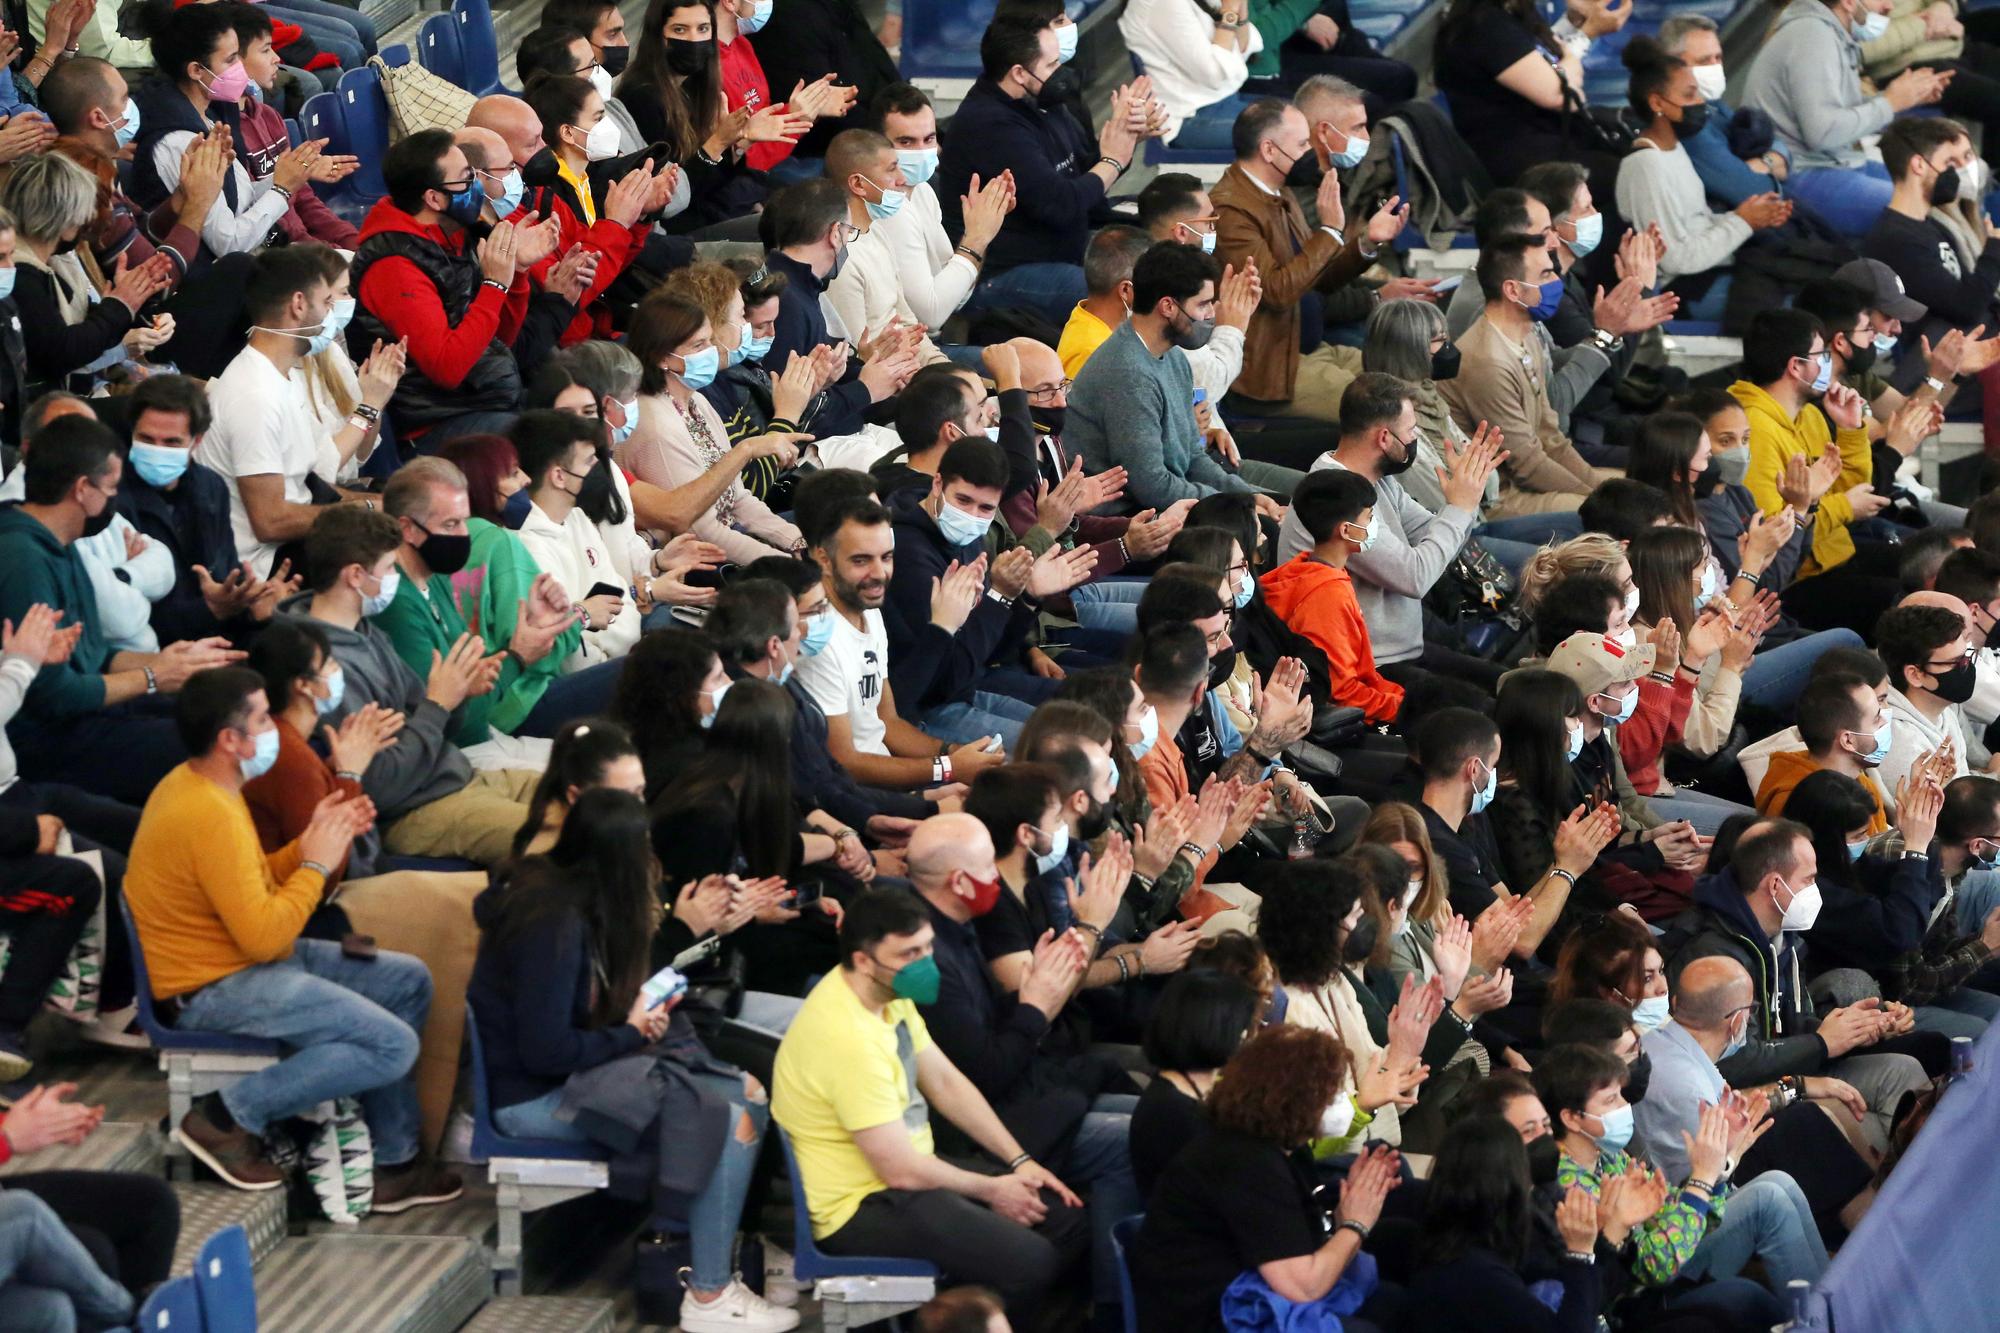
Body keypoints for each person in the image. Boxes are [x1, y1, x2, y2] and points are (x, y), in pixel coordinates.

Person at [124, 665, 460, 1205]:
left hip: (242, 961)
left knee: (409, 981)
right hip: (215, 986)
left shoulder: (210, 786)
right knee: (391, 1045)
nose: (273, 730)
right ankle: (226, 1117)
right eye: (262, 720)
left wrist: (310, 843)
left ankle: (395, 1165)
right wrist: (315, 868)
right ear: (230, 740)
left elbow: (251, 882)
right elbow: (264, 939)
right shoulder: (203, 809)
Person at [468, 786, 794, 1330]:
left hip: (586, 1068)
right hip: (538, 1098)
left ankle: (718, 1275)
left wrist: (640, 1015)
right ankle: (710, 1297)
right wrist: (631, 1032)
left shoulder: (570, 900)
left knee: (749, 1090)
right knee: (729, 1115)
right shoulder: (551, 925)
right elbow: (547, 1052)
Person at [771, 888, 1088, 1324]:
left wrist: (1019, 1161)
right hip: (862, 1204)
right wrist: (994, 1190)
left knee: (1064, 1221)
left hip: (911, 1173)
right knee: (1030, 1261)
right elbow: (898, 1170)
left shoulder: (887, 994)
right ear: (864, 960)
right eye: (909, 953)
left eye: (926, 947)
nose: (924, 962)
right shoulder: (846, 1038)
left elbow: (945, 1082)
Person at [903, 811, 1141, 1313]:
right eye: (989, 867)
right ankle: (1115, 1310)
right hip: (977, 1128)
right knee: (1135, 1138)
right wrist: (1036, 1006)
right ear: (958, 882)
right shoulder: (924, 960)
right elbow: (984, 1073)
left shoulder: (958, 925)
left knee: (1151, 1109)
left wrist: (1037, 1000)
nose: (998, 878)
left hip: (1021, 1093)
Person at [0, 415, 252, 805]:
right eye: (112, 488)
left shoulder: (61, 542)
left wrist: (170, 662)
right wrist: (153, 676)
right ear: (83, 490)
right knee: (215, 742)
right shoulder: (23, 560)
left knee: (224, 707)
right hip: (46, 739)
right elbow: (53, 696)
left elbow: (96, 653)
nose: (115, 501)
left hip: (80, 716)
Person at [280, 504, 540, 866]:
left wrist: (458, 693)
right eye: (389, 568)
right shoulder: (321, 668)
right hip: (414, 811)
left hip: (455, 778)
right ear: (356, 575)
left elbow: (436, 725)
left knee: (593, 796)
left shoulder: (365, 632)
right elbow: (381, 785)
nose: (395, 579)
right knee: (559, 840)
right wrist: (437, 704)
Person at [1668, 817, 1933, 1150]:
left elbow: (1789, 1024)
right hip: (1743, 1096)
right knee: (1868, 1095)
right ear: (1775, 886)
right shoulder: (1715, 957)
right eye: (1809, 879)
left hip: (1784, 1068)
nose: (1816, 889)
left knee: (1901, 1070)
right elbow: (1729, 1062)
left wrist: (1858, 1028)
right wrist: (1822, 1043)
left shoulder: (1783, 936)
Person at [1131, 1025, 1403, 1333]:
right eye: (1330, 1093)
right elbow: (1304, 1287)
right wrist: (1356, 1224)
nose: (1340, 1101)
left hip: (1244, 1293)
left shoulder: (1270, 1147)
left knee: (1391, 1300)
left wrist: (1348, 1206)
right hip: (1210, 1316)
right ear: (1295, 1101)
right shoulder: (1245, 1163)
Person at [1274, 373, 1507, 692]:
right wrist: (1459, 508)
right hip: (1371, 669)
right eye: (1412, 431)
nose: (1415, 441)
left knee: (1507, 683)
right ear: (1384, 438)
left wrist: (1466, 493)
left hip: (1406, 651)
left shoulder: (1378, 480)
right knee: (1492, 712)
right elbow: (1415, 577)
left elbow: (1436, 534)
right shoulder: (1337, 498)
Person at [372, 456, 615, 744]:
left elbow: (474, 674)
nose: (464, 535)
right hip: (478, 736)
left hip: (493, 718)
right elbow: (455, 723)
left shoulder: (431, 576)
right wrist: (518, 657)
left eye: (464, 521)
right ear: (408, 529)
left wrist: (538, 625)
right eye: (451, 524)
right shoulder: (396, 603)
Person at [931, 20, 1144, 328]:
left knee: (1156, 267)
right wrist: (1112, 161)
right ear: (1019, 73)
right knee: (1121, 297)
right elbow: (1062, 203)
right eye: (1052, 63)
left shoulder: (1040, 100)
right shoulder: (991, 126)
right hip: (1005, 271)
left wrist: (1126, 136)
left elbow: (1079, 173)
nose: (1061, 72)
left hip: (1064, 245)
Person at [794, 494, 1007, 791]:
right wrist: (948, 770)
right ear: (824, 559)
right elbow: (845, 763)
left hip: (896, 780)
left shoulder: (869, 610)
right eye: (861, 560)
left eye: (886, 557)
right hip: (859, 800)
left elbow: (888, 723)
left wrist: (951, 752)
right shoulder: (817, 640)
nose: (879, 573)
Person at [349, 129, 550, 445]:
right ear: (434, 198)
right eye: (466, 180)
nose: (477, 188)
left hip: (482, 395)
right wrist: (495, 283)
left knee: (577, 396)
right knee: (553, 444)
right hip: (436, 422)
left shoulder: (456, 232)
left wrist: (517, 271)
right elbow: (447, 368)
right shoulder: (393, 267)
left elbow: (498, 340)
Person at [1208, 96, 1401, 421]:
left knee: (1405, 375)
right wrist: (1328, 231)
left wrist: (1365, 241)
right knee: (1381, 409)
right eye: (1301, 145)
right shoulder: (1231, 210)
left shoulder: (1278, 192)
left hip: (1305, 348)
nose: (1309, 154)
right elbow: (1277, 292)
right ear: (1269, 150)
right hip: (1269, 371)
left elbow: (1319, 279)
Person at [1067, 243, 1281, 517]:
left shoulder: (1173, 357)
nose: (1211, 316)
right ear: (1167, 306)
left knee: (1282, 506)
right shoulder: (1129, 373)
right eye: (1203, 304)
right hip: (1129, 518)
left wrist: (1245, 495)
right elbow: (1152, 487)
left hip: (1169, 500)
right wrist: (1235, 505)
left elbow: (1193, 457)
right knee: (1272, 526)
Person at [199, 247, 374, 579]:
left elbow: (305, 487)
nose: (331, 316)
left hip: (291, 538)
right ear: (298, 305)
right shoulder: (255, 396)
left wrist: (375, 504)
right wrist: (362, 511)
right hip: (265, 567)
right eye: (326, 303)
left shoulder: (275, 377)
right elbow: (270, 521)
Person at [1731, 308, 1906, 633]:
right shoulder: (1754, 428)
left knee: (1939, 562)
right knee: (1910, 603)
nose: (1830, 362)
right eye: (1822, 354)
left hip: (1835, 551)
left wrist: (1851, 429)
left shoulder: (1809, 416)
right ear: (1796, 366)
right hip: (1794, 580)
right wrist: (1842, 507)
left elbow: (1856, 491)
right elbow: (1775, 531)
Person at [622, 292, 808, 564]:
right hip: (694, 562)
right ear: (662, 357)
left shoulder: (695, 399)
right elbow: (701, 531)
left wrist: (798, 542)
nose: (712, 351)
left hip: (730, 533)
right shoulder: (653, 424)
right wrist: (783, 564)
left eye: (710, 340)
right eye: (698, 345)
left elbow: (739, 497)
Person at [1443, 233, 1620, 517]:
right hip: (1498, 499)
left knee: (1630, 489)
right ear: (1513, 290)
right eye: (1546, 274)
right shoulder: (1488, 362)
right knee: (1613, 515)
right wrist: (1600, 500)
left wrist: (1601, 489)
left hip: (1527, 481)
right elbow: (1527, 465)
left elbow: (1550, 436)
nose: (1557, 283)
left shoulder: (1527, 335)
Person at [1616, 36, 1790, 320]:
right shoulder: (1646, 165)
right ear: (1657, 102)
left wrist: (1755, 216)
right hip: (1679, 292)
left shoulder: (1674, 149)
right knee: (1796, 303)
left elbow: (1697, 226)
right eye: (1689, 95)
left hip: (1711, 270)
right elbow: (1677, 258)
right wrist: (1742, 221)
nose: (1699, 103)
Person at [1740, 0, 1947, 236]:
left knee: (1937, 188)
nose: (1889, 6)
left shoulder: (1831, 34)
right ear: (1849, 2)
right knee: (1922, 210)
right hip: (1801, 172)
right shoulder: (1812, 35)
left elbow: (1838, 114)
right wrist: (1889, 103)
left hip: (1836, 161)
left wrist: (1904, 97)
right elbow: (1823, 134)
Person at [1406, 1114, 1603, 1333]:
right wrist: (1580, 1254)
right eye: (1529, 1129)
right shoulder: (1477, 1273)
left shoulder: (1457, 1237)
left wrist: (1608, 1234)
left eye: (1546, 1126)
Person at [2, 151, 174, 401]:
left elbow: (87, 329)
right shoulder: (21, 272)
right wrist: (119, 306)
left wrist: (128, 304)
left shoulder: (55, 262)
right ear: (66, 218)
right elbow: (61, 352)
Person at [758, 178, 920, 437]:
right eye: (849, 232)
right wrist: (866, 389)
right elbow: (789, 413)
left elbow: (821, 383)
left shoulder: (798, 286)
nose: (847, 241)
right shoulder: (785, 303)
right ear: (835, 234)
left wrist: (877, 374)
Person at [1260, 469, 1404, 726]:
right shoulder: (1325, 597)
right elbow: (1342, 692)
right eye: (1369, 518)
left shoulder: (1304, 568)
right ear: (1347, 530)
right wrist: (1408, 709)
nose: (1374, 526)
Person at [870, 82, 1009, 339]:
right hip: (907, 352)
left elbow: (956, 295)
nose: (922, 151)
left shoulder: (923, 190)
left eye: (929, 139)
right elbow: (931, 316)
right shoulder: (889, 209)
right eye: (906, 142)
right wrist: (976, 238)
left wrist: (982, 229)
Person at [509, 409, 643, 666]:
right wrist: (607, 652)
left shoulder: (578, 518)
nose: (600, 468)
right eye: (589, 461)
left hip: (618, 663)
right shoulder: (526, 547)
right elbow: (571, 658)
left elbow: (624, 604)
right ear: (559, 476)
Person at [223, 3, 359, 250]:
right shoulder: (225, 136)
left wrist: (352, 241)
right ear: (234, 61)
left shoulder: (268, 116)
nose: (277, 58)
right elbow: (275, 222)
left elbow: (303, 199)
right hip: (278, 254)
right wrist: (326, 252)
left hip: (306, 248)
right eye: (265, 50)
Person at [1128, 968, 1261, 1196]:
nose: (1248, 1037)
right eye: (1243, 1029)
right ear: (1220, 1031)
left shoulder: (1178, 1094)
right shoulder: (1177, 1115)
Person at [823, 129, 950, 367]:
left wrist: (943, 367)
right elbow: (857, 358)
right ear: (859, 184)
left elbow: (910, 325)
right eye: (892, 169)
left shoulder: (877, 231)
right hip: (888, 380)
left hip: (918, 365)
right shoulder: (841, 259)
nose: (902, 179)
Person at [1654, 15, 1796, 210]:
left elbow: (1780, 149)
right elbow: (1755, 191)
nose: (1714, 67)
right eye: (1704, 61)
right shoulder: (1683, 124)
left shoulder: (1711, 105)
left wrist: (1765, 162)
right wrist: (1769, 165)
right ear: (1672, 67)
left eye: (1718, 58)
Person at [1875, 599, 1983, 809]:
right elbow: (1950, 819)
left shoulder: (1942, 709)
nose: (1966, 668)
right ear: (1915, 675)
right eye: (1955, 662)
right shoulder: (1900, 742)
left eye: (1966, 657)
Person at [1756, 671, 1897, 829]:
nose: (1885, 722)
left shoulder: (1862, 783)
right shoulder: (1806, 807)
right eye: (1877, 718)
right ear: (1848, 740)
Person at [1115, 0, 1262, 150]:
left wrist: (1240, 8)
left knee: (1285, 117)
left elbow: (1242, 51)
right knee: (1279, 137)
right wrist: (1230, 11)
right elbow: (1215, 75)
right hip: (1188, 117)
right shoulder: (1162, 4)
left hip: (1223, 99)